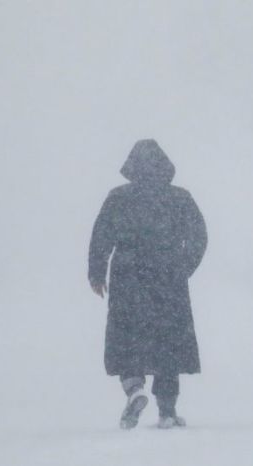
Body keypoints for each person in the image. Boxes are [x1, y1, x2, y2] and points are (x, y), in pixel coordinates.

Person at [88, 139, 207, 430]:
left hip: (128, 275)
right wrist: (183, 266)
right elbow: (199, 235)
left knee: (128, 335)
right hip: (167, 275)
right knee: (168, 340)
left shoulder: (118, 197)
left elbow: (101, 236)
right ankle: (167, 411)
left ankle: (134, 388)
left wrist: (96, 273)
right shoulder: (179, 198)